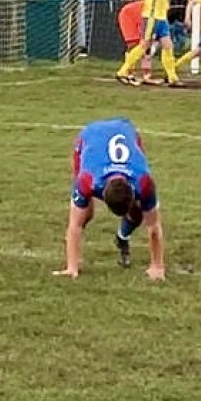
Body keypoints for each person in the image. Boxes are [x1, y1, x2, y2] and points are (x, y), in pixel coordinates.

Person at [53, 118, 165, 281]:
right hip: (90, 137)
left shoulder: (144, 182)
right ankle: (74, 258)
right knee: (85, 214)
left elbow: (154, 226)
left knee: (137, 216)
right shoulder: (87, 180)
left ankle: (122, 238)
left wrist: (157, 266)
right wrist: (72, 268)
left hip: (126, 130)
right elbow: (74, 225)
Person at [115, 0, 191, 87]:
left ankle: (172, 78)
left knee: (168, 46)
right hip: (151, 17)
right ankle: (123, 71)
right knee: (144, 45)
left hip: (161, 17)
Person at [116, 0, 153, 83]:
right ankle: (128, 72)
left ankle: (143, 72)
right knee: (133, 44)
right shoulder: (150, 6)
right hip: (127, 16)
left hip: (139, 18)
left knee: (144, 44)